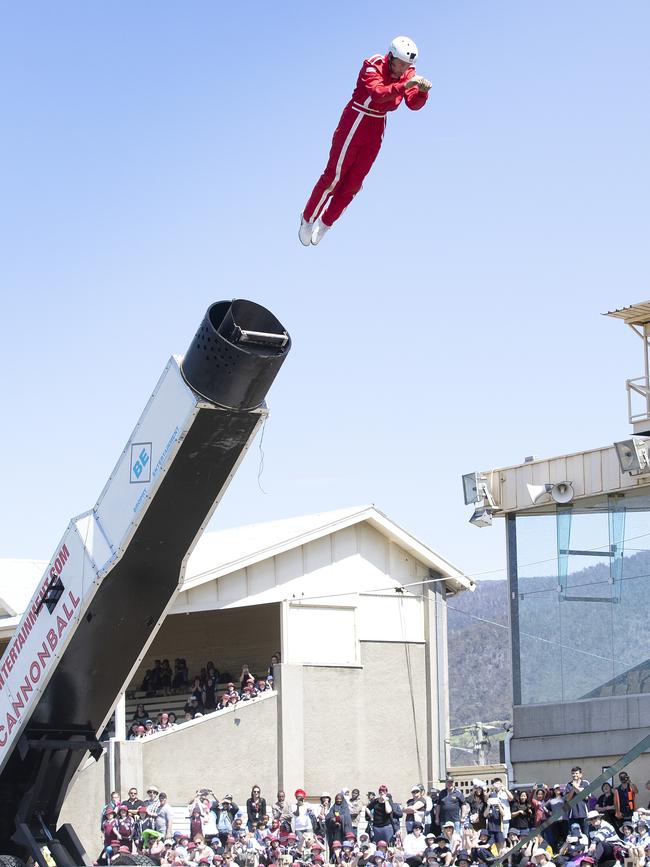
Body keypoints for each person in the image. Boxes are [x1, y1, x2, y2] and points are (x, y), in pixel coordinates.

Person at [298, 36, 431, 246]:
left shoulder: (408, 73)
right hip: (356, 119)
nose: (403, 68)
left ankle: (326, 222)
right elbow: (378, 94)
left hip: (377, 126)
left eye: (408, 65)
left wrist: (422, 92)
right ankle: (308, 218)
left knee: (354, 184)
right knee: (334, 176)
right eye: (400, 64)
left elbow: (413, 104)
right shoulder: (373, 64)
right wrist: (405, 84)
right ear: (390, 58)